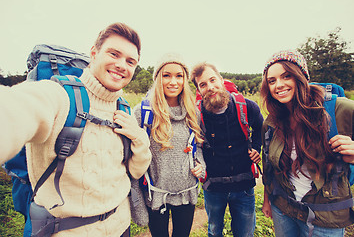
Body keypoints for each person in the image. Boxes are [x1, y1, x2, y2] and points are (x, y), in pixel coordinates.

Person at [0, 22, 152, 237]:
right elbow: (19, 109)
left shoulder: (124, 109)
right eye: (114, 54)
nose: (121, 65)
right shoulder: (60, 96)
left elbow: (135, 170)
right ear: (94, 53)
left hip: (120, 227)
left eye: (130, 61)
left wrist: (138, 137)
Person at [260, 50, 354, 237]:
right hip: (283, 209)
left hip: (326, 218)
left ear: (301, 77)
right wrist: (267, 200)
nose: (279, 85)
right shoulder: (271, 122)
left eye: (286, 76)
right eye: (272, 81)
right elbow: (269, 167)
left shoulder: (339, 109)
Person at [132, 53, 206, 237]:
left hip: (187, 193)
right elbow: (133, 158)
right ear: (158, 78)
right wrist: (138, 201)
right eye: (166, 75)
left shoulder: (192, 112)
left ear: (185, 80)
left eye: (179, 76)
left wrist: (201, 165)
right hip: (156, 195)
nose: (173, 81)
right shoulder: (143, 113)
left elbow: (198, 146)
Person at [190, 62, 264, 237]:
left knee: (245, 233)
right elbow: (193, 144)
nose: (210, 87)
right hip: (213, 188)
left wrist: (256, 148)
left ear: (221, 80)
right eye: (203, 85)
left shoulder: (247, 107)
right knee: (214, 231)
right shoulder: (196, 115)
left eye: (212, 80)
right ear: (199, 91)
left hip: (244, 185)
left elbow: (262, 127)